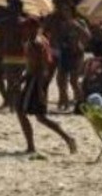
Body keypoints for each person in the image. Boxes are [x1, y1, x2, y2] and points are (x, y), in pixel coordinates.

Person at [16, 17, 77, 156]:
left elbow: (40, 68)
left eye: (26, 28)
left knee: (22, 111)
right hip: (34, 80)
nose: (23, 30)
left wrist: (39, 89)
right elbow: (35, 66)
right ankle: (67, 138)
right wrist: (23, 80)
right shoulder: (38, 41)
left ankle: (31, 146)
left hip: (35, 81)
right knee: (40, 117)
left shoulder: (35, 43)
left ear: (32, 28)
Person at [0, 0, 28, 110]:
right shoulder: (26, 21)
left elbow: (0, 41)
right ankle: (13, 102)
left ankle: (10, 101)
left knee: (9, 80)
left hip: (8, 54)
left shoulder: (4, 22)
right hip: (21, 54)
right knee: (15, 80)